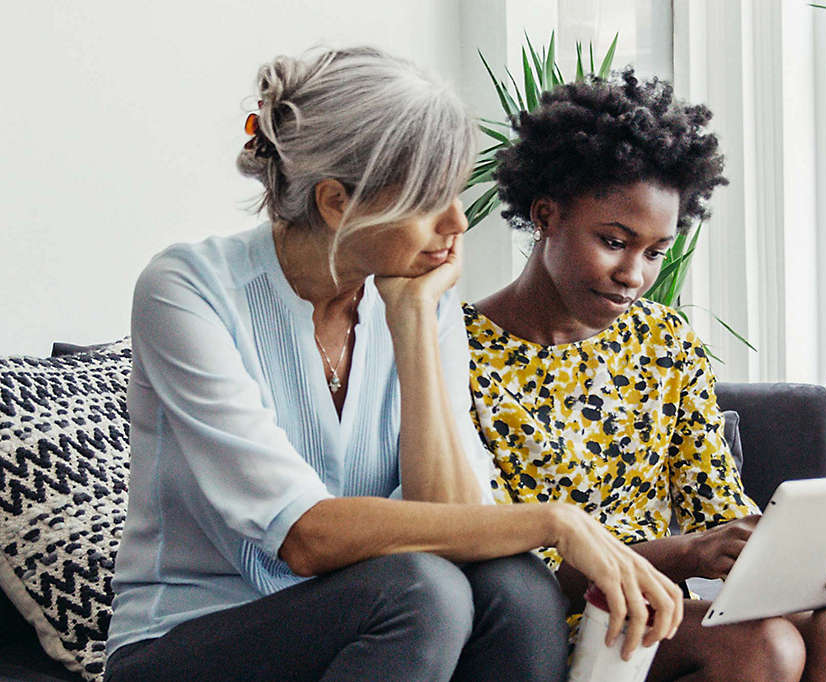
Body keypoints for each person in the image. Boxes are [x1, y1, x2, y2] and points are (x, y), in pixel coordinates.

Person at [103, 48, 684, 682]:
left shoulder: (415, 293)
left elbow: (456, 519)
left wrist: (410, 322)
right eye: (430, 200)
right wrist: (555, 521)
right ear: (335, 203)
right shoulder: (188, 290)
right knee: (419, 589)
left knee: (514, 585)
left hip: (366, 619)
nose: (458, 223)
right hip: (188, 643)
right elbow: (304, 538)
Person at [464, 69, 826, 682]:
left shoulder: (664, 343)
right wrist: (687, 552)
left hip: (663, 617)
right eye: (614, 241)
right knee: (764, 648)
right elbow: (512, 579)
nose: (633, 274)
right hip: (548, 629)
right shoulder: (460, 354)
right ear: (546, 215)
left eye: (654, 251)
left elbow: (716, 509)